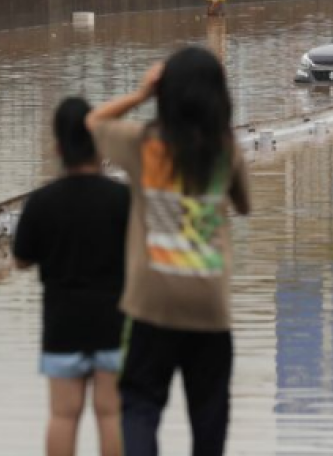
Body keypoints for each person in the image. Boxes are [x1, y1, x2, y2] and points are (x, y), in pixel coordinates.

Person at [86, 47, 251, 456]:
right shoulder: (225, 149)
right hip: (210, 306)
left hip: (151, 304)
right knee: (209, 419)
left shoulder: (143, 144)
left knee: (140, 406)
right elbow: (245, 204)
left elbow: (92, 123)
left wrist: (141, 94)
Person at [13, 97, 129, 456]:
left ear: (58, 146)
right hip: (114, 320)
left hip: (62, 323)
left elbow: (20, 259)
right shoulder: (122, 198)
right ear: (99, 144)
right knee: (111, 414)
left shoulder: (42, 202)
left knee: (63, 415)